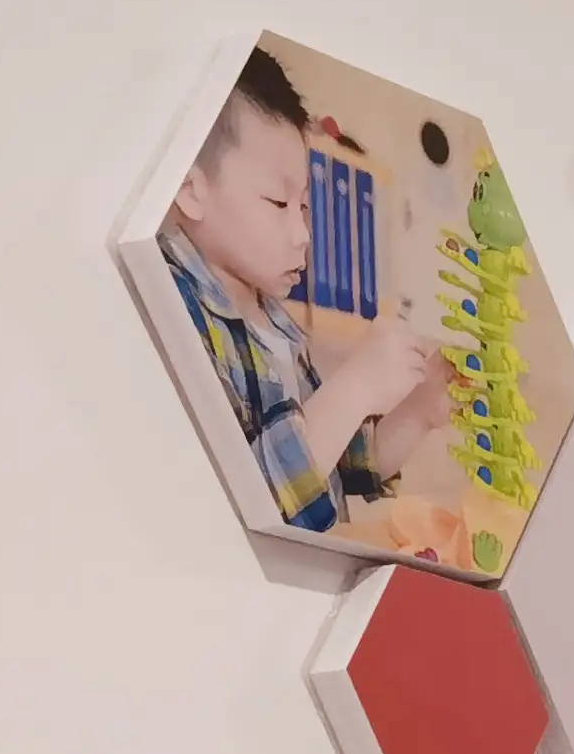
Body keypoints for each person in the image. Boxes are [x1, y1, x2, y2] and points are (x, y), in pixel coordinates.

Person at [161, 49, 451, 535]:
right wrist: (356, 387)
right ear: (190, 190)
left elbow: (340, 467)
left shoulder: (273, 318)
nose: (303, 235)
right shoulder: (171, 305)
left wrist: (420, 410)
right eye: (279, 202)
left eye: (303, 207)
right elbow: (236, 511)